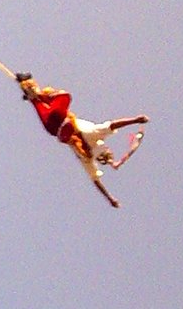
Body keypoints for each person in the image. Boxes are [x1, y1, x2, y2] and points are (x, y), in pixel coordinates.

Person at [16, 73, 148, 208]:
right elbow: (97, 182)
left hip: (62, 120)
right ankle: (28, 88)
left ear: (105, 150)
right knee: (37, 102)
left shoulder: (95, 137)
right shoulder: (87, 158)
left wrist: (136, 119)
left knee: (63, 96)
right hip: (54, 130)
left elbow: (113, 124)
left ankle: (30, 88)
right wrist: (110, 198)